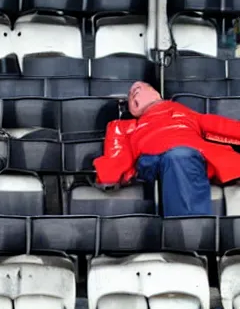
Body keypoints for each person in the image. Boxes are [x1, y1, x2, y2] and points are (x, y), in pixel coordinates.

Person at [94, 81, 240, 216]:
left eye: (142, 88)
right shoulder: (124, 126)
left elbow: (224, 127)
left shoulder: (186, 114)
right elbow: (117, 154)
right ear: (132, 108)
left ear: (157, 94)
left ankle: (187, 231)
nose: (135, 91)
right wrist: (110, 176)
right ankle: (190, 232)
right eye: (131, 95)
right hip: (152, 160)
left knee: (180, 156)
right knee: (178, 156)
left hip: (191, 156)